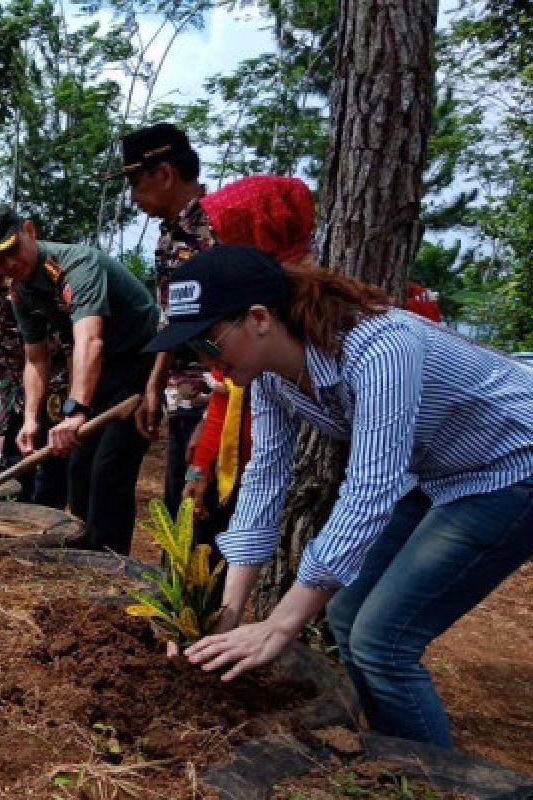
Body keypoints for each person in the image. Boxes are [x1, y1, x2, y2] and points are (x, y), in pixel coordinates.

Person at [144, 244, 533, 748]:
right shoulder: (271, 380)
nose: (204, 363)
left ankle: (431, 778)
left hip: (510, 465)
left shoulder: (381, 349)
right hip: (432, 467)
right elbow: (263, 483)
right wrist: (231, 610)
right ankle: (392, 751)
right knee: (346, 617)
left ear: (259, 318)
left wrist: (282, 625)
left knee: (383, 641)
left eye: (208, 345)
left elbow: (370, 491)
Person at [0, 204, 160, 554]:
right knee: (79, 471)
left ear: (30, 230)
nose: (9, 263)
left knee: (108, 471)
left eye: (12, 250)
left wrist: (75, 410)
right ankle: (91, 553)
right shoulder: (22, 291)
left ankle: (111, 565)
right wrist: (30, 418)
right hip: (98, 372)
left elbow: (91, 340)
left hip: (140, 363)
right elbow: (36, 358)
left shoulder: (77, 266)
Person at [182, 174, 317, 550]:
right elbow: (225, 392)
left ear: (260, 227)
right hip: (244, 469)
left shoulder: (300, 314)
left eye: (227, 234)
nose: (218, 245)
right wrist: (202, 464)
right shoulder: (238, 316)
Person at [121, 122, 220, 520]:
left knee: (204, 511)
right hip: (182, 395)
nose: (133, 198)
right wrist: (154, 384)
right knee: (180, 505)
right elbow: (171, 318)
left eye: (136, 183)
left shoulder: (219, 227)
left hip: (218, 394)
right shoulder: (168, 239)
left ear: (164, 174)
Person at [0, 238, 69, 508]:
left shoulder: (21, 290)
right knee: (14, 459)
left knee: (50, 465)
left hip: (54, 387)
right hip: (23, 390)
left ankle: (46, 529)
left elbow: (56, 346)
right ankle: (16, 516)